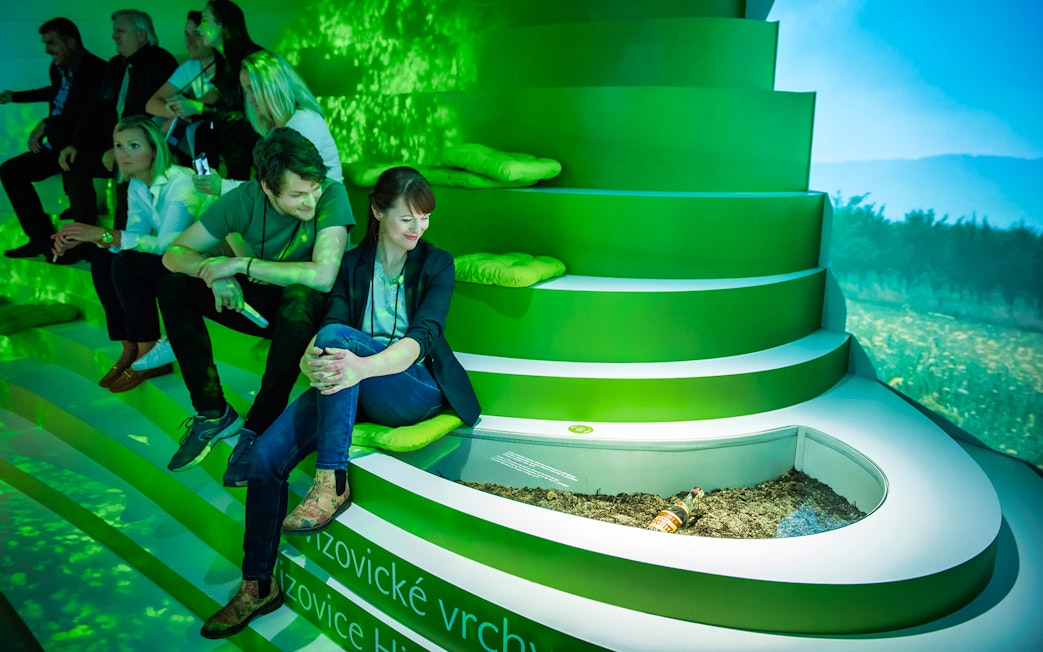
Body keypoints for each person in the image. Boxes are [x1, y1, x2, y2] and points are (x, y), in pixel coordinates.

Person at [199, 166, 480, 640]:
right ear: (377, 211)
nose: (419, 229)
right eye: (408, 218)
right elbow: (330, 325)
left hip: (411, 388)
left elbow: (423, 338)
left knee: (334, 338)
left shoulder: (437, 264)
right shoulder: (352, 264)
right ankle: (258, 584)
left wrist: (357, 366)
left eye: (425, 218)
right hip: (350, 383)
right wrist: (316, 358)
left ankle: (333, 479)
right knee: (266, 456)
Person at [159, 127, 353, 485]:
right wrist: (211, 273)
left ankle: (258, 428)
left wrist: (240, 265)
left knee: (299, 295)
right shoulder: (243, 199)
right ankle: (212, 411)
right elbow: (174, 254)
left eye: (314, 189)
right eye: (297, 195)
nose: (310, 202)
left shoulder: (333, 195)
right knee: (173, 285)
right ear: (267, 187)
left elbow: (324, 275)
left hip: (316, 312)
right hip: (266, 305)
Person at [51, 115, 212, 391]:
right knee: (104, 260)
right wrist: (89, 239)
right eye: (118, 145)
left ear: (155, 148)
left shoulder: (182, 182)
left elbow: (167, 245)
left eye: (133, 145)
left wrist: (102, 234)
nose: (123, 153)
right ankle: (130, 344)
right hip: (172, 257)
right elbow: (134, 237)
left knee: (125, 263)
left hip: (197, 263)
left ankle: (147, 350)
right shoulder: (137, 185)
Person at [58, 10, 177, 236]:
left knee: (126, 160)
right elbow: (94, 107)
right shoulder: (115, 65)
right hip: (110, 143)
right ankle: (83, 238)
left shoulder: (160, 61)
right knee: (73, 161)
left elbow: (157, 116)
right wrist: (75, 142)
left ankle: (122, 241)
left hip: (143, 144)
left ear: (142, 35)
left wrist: (119, 147)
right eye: (114, 31)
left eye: (120, 31)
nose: (114, 37)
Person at [0, 18, 105, 259]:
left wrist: (47, 124)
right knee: (10, 170)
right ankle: (41, 239)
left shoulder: (96, 70)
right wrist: (16, 97)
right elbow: (55, 94)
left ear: (71, 42)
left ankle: (84, 244)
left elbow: (86, 112)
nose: (47, 49)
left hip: (81, 144)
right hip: (56, 144)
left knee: (72, 162)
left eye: (52, 43)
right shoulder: (57, 67)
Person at [194, 50, 343, 198]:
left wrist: (222, 186)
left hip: (322, 213)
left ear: (272, 87)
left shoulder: (304, 122)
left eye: (253, 89)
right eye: (246, 91)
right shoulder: (275, 127)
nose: (250, 99)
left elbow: (280, 189)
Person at [172, 0, 262, 181]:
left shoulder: (252, 59)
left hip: (259, 129)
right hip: (236, 129)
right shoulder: (222, 61)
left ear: (221, 24)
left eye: (204, 21)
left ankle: (236, 188)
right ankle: (204, 182)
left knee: (233, 134)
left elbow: (247, 113)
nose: (199, 29)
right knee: (202, 131)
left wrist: (199, 109)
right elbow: (225, 106)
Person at [145, 11, 217, 167]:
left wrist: (180, 113)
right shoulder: (191, 66)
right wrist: (174, 112)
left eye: (196, 34)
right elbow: (151, 104)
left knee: (191, 131)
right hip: (194, 125)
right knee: (155, 125)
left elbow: (213, 100)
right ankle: (153, 180)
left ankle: (204, 182)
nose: (189, 41)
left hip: (219, 127)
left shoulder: (225, 66)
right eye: (186, 35)